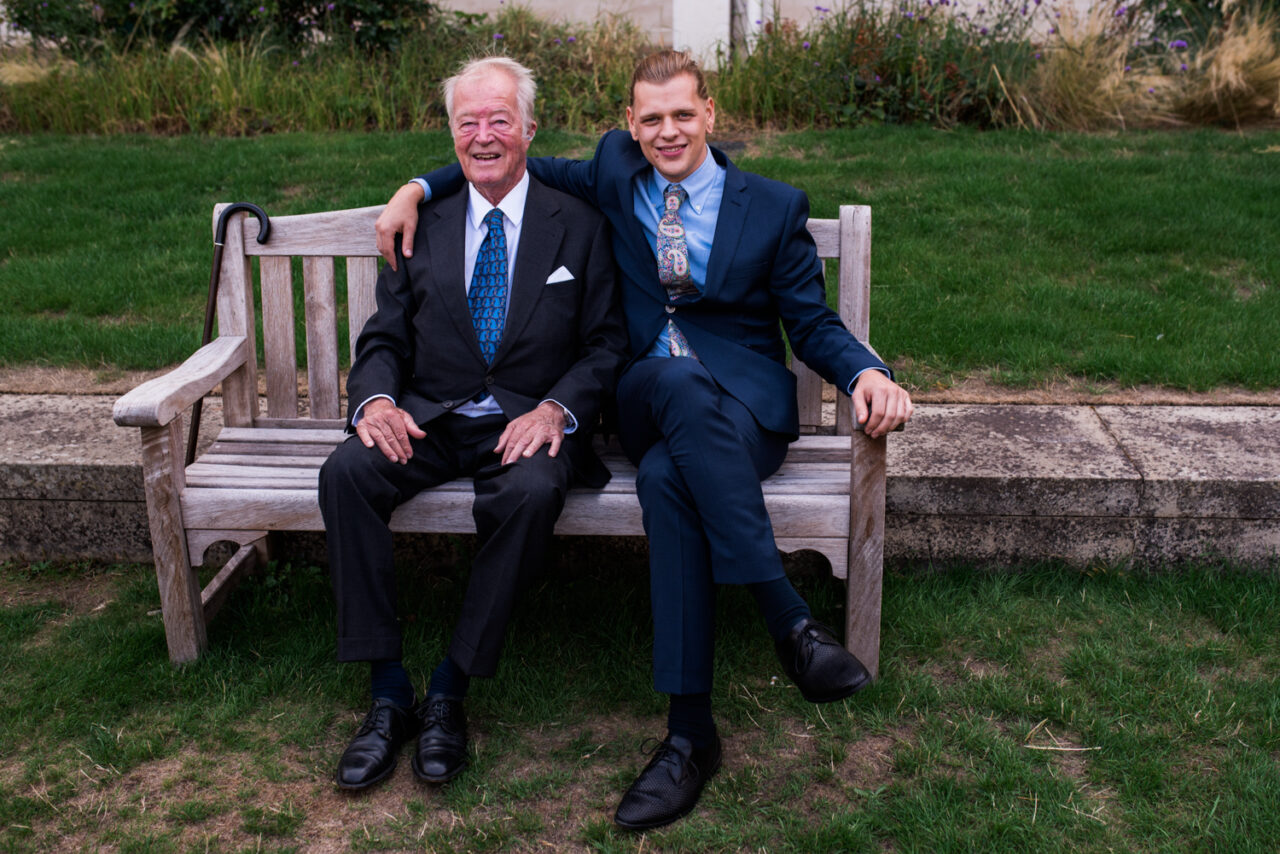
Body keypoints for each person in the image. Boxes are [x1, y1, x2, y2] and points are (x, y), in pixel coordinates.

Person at [374, 50, 913, 827]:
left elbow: (812, 323)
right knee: (675, 385)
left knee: (667, 482)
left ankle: (689, 736)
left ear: (710, 114)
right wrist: (415, 188)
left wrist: (865, 372)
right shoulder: (613, 171)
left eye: (682, 115)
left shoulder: (771, 206)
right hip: (643, 396)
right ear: (630, 124)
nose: (667, 131)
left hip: (741, 415)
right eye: (651, 118)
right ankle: (786, 618)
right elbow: (499, 155)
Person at [321, 56, 626, 792]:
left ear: (528, 128)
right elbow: (385, 340)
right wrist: (377, 404)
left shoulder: (578, 226)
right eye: (468, 123)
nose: (483, 136)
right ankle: (388, 690)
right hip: (429, 417)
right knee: (347, 473)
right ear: (451, 134)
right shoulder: (424, 224)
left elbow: (607, 343)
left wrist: (556, 408)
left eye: (498, 121)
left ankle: (451, 685)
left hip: (528, 424)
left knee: (528, 494)